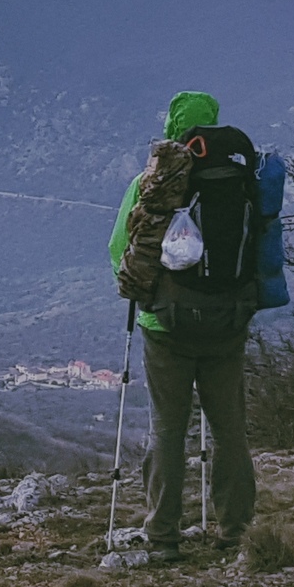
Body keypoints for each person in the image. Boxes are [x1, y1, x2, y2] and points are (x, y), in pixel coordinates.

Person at [106, 91, 259, 561]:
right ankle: (235, 531)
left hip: (165, 325)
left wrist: (143, 291)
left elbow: (120, 249)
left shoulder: (153, 183)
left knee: (168, 430)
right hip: (228, 323)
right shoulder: (242, 180)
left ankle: (164, 536)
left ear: (175, 127)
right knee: (229, 427)